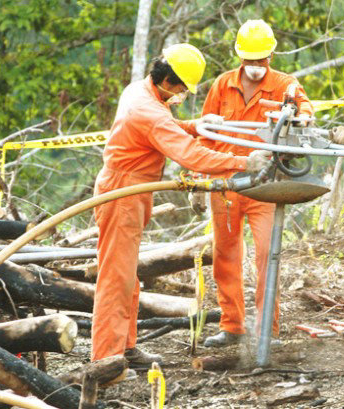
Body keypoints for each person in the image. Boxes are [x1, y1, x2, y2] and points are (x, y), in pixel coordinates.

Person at [91, 43, 272, 366]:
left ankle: (126, 347)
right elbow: (190, 154)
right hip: (122, 193)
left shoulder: (142, 91)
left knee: (127, 276)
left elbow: (165, 125)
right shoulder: (149, 112)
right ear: (170, 82)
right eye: (184, 90)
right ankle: (106, 358)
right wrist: (245, 162)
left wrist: (196, 125)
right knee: (116, 278)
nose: (183, 95)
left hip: (132, 189)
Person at [192, 19, 313, 348]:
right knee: (225, 256)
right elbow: (205, 133)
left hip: (265, 185)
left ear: (271, 55)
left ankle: (266, 330)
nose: (256, 67)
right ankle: (231, 325)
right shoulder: (222, 84)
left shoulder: (285, 85)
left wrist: (301, 117)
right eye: (250, 60)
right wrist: (200, 176)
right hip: (226, 184)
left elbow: (305, 108)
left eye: (261, 60)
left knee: (266, 255)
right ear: (239, 57)